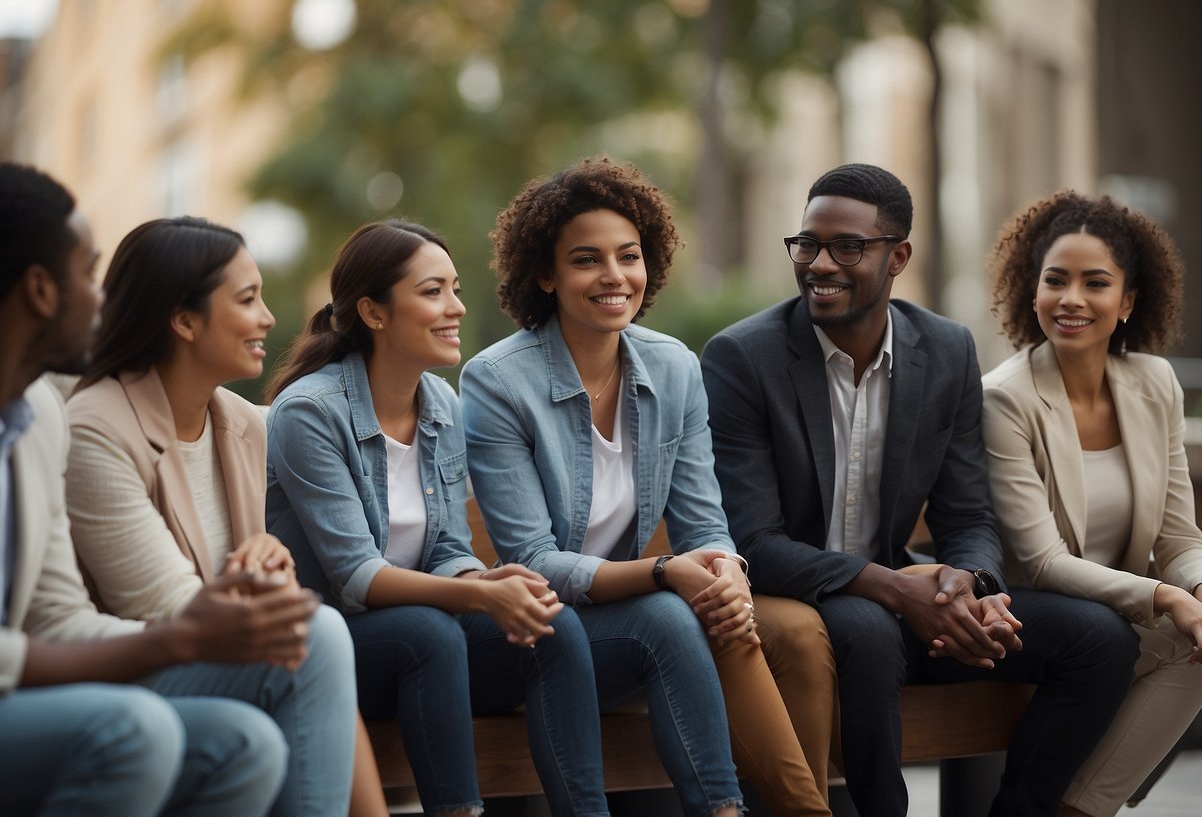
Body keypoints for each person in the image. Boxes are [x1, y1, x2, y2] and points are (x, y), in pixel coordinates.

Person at [700, 163, 1142, 817]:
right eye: (807, 245)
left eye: (847, 247)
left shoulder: (943, 350)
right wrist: (894, 587)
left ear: (897, 255)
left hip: (906, 605)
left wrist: (973, 588)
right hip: (802, 605)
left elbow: (967, 513)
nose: (820, 263)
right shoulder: (743, 358)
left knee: (1100, 639)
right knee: (868, 626)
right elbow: (754, 543)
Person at [461, 157, 836, 817]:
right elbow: (536, 562)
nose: (613, 276)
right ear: (545, 274)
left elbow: (704, 521)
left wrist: (726, 575)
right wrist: (666, 572)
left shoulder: (672, 366)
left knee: (747, 620)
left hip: (654, 603)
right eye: (586, 260)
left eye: (628, 256)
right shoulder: (498, 382)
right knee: (671, 614)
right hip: (550, 629)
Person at [264, 219, 609, 817]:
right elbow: (356, 576)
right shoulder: (310, 413)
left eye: (454, 288)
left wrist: (487, 582)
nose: (455, 307)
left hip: (425, 639)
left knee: (552, 623)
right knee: (429, 632)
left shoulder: (442, 405)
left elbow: (447, 547)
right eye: (432, 292)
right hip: (325, 644)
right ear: (373, 312)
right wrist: (478, 600)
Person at [0, 161, 315, 815]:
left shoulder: (37, 420)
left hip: (40, 687)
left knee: (245, 741)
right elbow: (162, 609)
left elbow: (57, 618)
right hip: (42, 690)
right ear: (39, 290)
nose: (102, 299)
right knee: (134, 730)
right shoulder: (90, 423)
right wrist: (181, 636)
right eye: (89, 274)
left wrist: (245, 590)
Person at [64, 215, 383, 817]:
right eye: (247, 299)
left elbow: (258, 585)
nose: (268, 317)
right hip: (126, 671)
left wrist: (269, 557)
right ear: (183, 320)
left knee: (312, 641)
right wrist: (260, 583)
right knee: (313, 637)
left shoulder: (242, 423)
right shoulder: (97, 429)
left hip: (218, 662)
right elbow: (163, 607)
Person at [983, 191, 1202, 817]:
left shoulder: (1154, 383)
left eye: (1096, 283)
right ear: (1033, 293)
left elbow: (1179, 538)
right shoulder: (1006, 399)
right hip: (1034, 619)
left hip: (1117, 619)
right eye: (1055, 281)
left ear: (1128, 302)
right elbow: (1040, 562)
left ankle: (1080, 808)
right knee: (1162, 633)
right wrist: (1167, 596)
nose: (1072, 299)